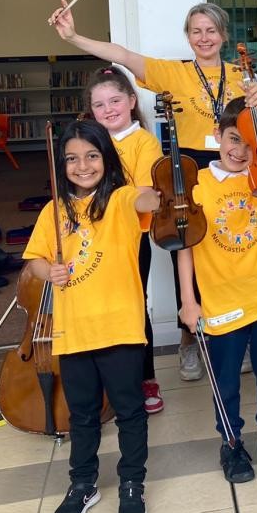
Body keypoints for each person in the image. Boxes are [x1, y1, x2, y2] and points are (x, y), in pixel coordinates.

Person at [49, 0, 244, 383]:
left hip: (233, 167)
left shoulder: (242, 75)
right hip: (186, 172)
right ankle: (190, 339)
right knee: (185, 257)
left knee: (233, 251)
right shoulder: (172, 72)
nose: (203, 38)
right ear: (187, 37)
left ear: (223, 35)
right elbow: (120, 54)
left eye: (211, 30)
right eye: (195, 31)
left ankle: (236, 330)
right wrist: (73, 37)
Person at [23, 119, 160, 513]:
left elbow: (148, 200)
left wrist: (157, 185)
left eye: (92, 156)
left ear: (107, 158)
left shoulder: (119, 200)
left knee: (130, 410)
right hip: (73, 331)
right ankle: (83, 483)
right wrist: (49, 271)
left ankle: (132, 482)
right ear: (60, 164)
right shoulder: (54, 210)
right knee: (81, 414)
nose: (82, 166)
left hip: (119, 328)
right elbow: (33, 260)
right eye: (72, 159)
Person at [176, 90, 257, 483]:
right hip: (221, 300)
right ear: (218, 135)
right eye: (233, 140)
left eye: (249, 144)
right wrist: (187, 301)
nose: (241, 151)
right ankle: (231, 443)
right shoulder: (197, 185)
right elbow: (185, 246)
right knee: (226, 381)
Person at [84, 66, 166, 415]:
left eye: (115, 100)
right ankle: (106, 378)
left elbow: (144, 192)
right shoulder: (88, 141)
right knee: (97, 304)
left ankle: (145, 378)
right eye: (99, 105)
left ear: (132, 101)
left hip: (132, 237)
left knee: (133, 305)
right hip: (92, 237)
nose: (108, 110)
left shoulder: (143, 142)